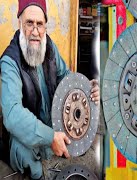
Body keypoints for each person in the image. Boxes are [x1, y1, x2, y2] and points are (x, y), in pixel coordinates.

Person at [0, 0, 100, 179]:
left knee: (82, 146)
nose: (35, 31)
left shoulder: (49, 47)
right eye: (29, 23)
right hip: (26, 134)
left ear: (45, 26)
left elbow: (66, 77)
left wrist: (87, 89)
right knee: (25, 156)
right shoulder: (9, 61)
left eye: (40, 24)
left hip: (50, 126)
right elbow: (12, 114)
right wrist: (50, 136)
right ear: (19, 24)